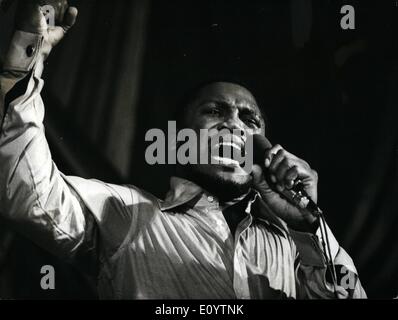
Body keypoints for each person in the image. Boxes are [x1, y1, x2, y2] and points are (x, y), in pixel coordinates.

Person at [0, 1, 366, 299]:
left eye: (250, 119)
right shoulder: (125, 213)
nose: (235, 125)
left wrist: (308, 227)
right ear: (179, 141)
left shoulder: (293, 247)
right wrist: (25, 61)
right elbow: (28, 195)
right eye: (215, 111)